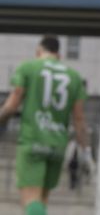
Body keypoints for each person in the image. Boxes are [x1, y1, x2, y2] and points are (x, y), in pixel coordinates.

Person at [0, 35, 91, 215]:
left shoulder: (29, 68)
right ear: (59, 55)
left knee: (31, 200)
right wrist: (85, 149)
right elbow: (79, 119)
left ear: (39, 51)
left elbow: (12, 104)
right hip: (57, 146)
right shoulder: (74, 77)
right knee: (42, 201)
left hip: (32, 141)